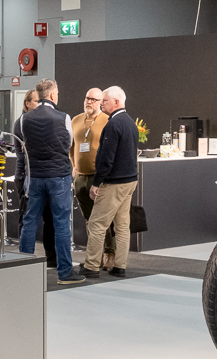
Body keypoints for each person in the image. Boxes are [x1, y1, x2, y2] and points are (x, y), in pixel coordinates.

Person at [16, 78, 81, 283]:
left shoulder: (25, 119)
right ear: (53, 95)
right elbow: (68, 142)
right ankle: (65, 272)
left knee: (29, 221)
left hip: (35, 177)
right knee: (61, 223)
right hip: (58, 177)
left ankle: (22, 269)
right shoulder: (63, 117)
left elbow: (25, 145)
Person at [83, 85, 138, 278]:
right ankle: (119, 266)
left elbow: (106, 157)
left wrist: (97, 183)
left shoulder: (113, 124)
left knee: (97, 224)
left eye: (104, 101)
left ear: (116, 102)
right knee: (122, 226)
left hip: (113, 183)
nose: (101, 104)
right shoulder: (130, 122)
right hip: (129, 181)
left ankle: (91, 267)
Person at [70, 87, 110, 255]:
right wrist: (73, 165)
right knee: (88, 218)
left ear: (101, 103)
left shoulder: (107, 120)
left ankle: (109, 251)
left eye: (94, 99)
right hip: (79, 177)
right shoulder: (76, 120)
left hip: (98, 176)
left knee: (102, 219)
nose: (89, 102)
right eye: (87, 98)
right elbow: (71, 147)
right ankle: (94, 253)